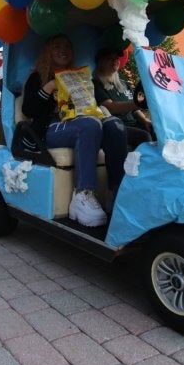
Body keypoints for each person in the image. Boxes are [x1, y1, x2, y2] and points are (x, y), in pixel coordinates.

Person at [22, 34, 127, 227]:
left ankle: (116, 191)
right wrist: (51, 86)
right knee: (90, 124)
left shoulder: (79, 76)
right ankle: (82, 194)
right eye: (57, 46)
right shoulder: (37, 77)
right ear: (47, 51)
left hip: (81, 120)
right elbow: (28, 110)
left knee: (115, 125)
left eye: (67, 46)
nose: (63, 50)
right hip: (49, 127)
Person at [93, 47, 154, 149]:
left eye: (116, 58)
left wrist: (144, 119)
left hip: (134, 123)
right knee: (144, 136)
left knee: (156, 130)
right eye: (110, 58)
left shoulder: (124, 83)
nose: (115, 60)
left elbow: (135, 110)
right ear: (100, 62)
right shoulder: (95, 84)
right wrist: (138, 103)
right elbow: (110, 107)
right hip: (116, 126)